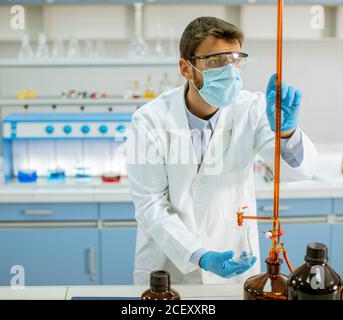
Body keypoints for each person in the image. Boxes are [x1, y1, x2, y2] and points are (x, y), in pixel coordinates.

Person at [126, 16, 318, 284]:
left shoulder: (252, 109)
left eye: (235, 59)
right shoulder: (149, 121)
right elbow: (150, 205)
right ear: (185, 67)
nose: (229, 70)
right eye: (215, 61)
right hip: (171, 268)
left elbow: (297, 173)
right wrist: (199, 254)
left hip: (235, 262)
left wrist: (286, 132)